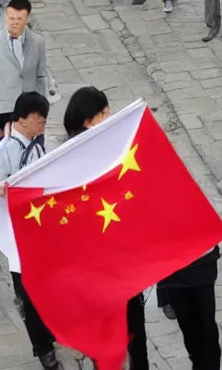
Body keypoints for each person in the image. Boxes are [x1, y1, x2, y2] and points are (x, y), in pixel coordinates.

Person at [61, 86, 148, 370]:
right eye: (103, 113)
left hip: (123, 259)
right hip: (95, 264)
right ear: (86, 120)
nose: (109, 116)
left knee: (136, 328)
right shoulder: (69, 157)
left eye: (108, 110)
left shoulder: (118, 145)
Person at [0, 92, 58, 370]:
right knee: (28, 293)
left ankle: (49, 331)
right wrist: (26, 190)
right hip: (16, 235)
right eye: (40, 120)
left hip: (41, 233)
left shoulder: (39, 149)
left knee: (47, 288)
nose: (43, 125)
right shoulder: (1, 152)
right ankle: (42, 346)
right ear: (25, 119)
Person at [0, 0, 50, 153]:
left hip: (30, 108)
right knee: (2, 153)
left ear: (27, 18)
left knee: (32, 151)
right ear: (6, 17)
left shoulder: (38, 42)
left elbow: (41, 75)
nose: (14, 22)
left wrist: (43, 105)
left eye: (19, 18)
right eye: (11, 18)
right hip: (3, 109)